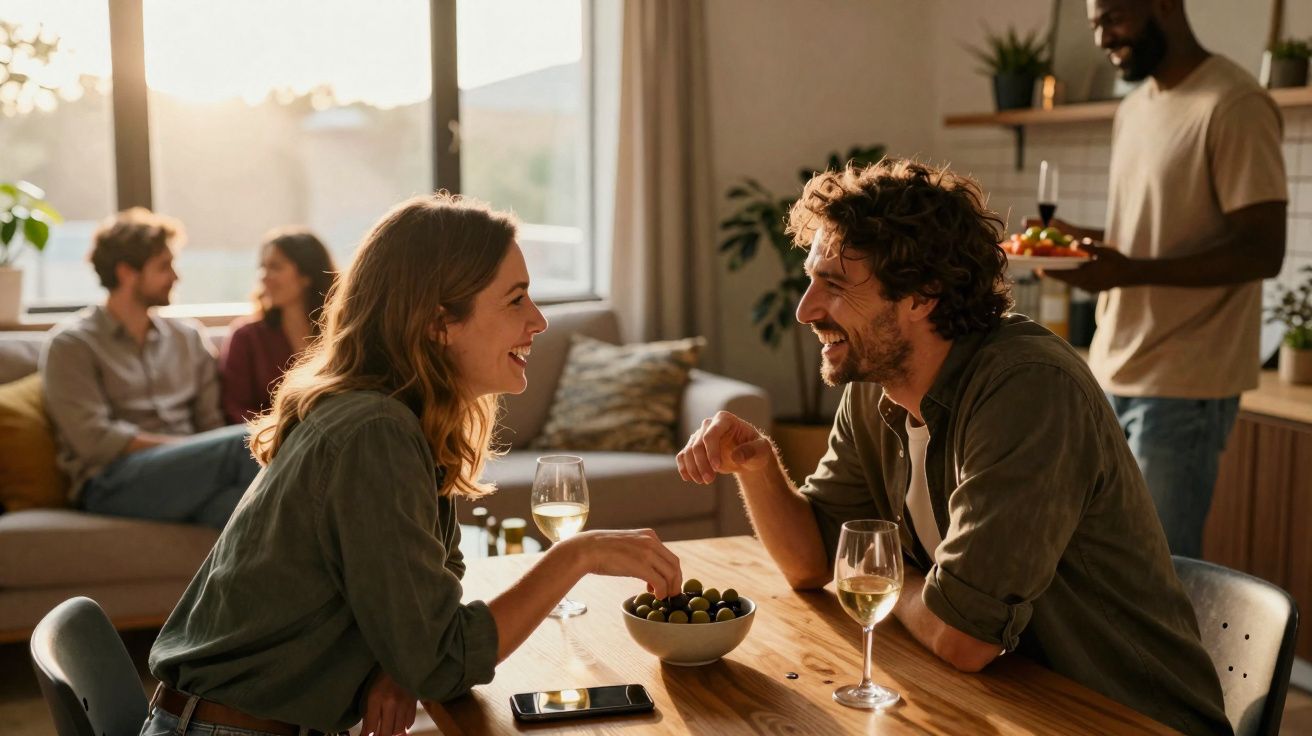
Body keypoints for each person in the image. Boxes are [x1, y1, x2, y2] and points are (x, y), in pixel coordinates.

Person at [678, 160, 1231, 735]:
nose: (806, 309)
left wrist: (884, 580)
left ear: (922, 295)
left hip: (1123, 717)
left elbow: (963, 637)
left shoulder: (1028, 388)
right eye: (812, 279)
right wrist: (759, 466)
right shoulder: (877, 386)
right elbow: (814, 562)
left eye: (835, 286)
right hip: (1005, 701)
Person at [143, 193, 684, 736]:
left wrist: (395, 665)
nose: (539, 320)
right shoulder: (375, 431)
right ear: (438, 321)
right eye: (516, 299)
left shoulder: (402, 415)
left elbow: (438, 574)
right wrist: (576, 556)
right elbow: (443, 662)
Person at [1037, 0, 1287, 558]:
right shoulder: (1136, 108)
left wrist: (1130, 271)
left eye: (1114, 18)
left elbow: (1263, 249)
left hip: (1185, 384)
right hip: (1112, 368)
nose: (1103, 37)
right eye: (1094, 23)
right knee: (1102, 564)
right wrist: (1080, 244)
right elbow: (1152, 232)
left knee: (1160, 572)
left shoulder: (1235, 103)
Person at [40, 208, 260, 529]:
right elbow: (95, 440)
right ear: (127, 272)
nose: (176, 276)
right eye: (164, 266)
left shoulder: (188, 337)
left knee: (257, 513)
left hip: (193, 475)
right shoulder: (72, 345)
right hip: (113, 482)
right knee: (247, 443)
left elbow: (210, 422)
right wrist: (194, 451)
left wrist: (199, 454)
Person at [220, 228, 336, 424]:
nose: (264, 277)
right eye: (262, 267)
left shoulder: (338, 333)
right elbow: (235, 409)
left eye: (275, 267)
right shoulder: (246, 336)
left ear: (306, 275)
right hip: (264, 441)